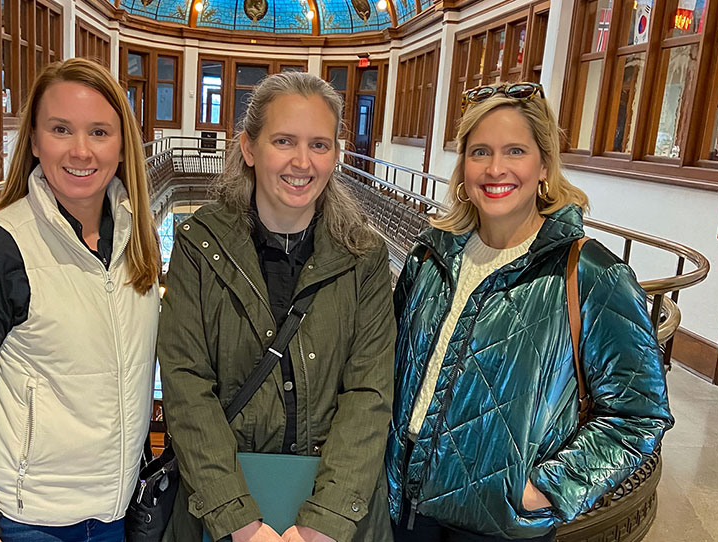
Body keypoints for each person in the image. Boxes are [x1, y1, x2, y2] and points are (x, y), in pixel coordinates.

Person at [386, 82, 673, 541]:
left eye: (515, 150)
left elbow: (639, 414)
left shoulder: (592, 273)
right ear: (463, 168)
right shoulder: (430, 257)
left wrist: (546, 488)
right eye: (479, 152)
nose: (495, 168)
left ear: (543, 165)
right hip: (403, 509)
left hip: (498, 525)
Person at [158, 72, 395, 542]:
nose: (302, 162)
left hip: (335, 519)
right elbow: (186, 386)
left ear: (336, 154)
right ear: (249, 148)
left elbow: (369, 394)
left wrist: (323, 524)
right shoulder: (199, 246)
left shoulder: (364, 257)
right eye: (284, 141)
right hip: (223, 516)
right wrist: (240, 523)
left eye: (320, 145)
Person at [0, 57, 161, 542]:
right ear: (34, 141)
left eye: (99, 132)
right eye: (61, 129)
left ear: (122, 147)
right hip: (24, 520)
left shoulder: (136, 243)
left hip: (115, 515)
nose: (81, 150)